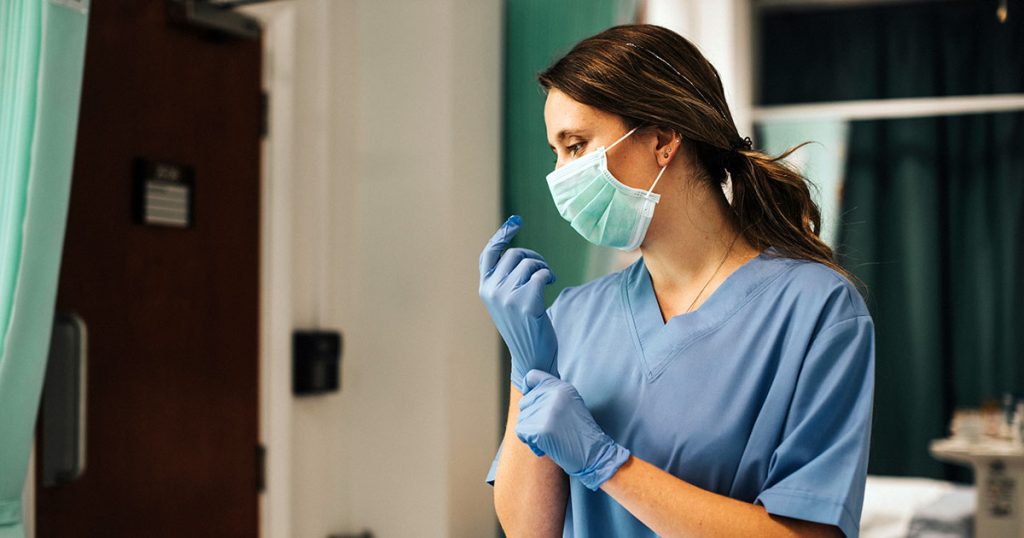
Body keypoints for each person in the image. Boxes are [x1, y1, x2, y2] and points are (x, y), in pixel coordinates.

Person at [478, 24, 874, 538]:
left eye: (576, 146)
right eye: (556, 151)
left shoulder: (816, 311)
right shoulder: (570, 318)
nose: (560, 175)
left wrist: (607, 464)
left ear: (663, 139)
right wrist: (527, 368)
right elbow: (530, 531)